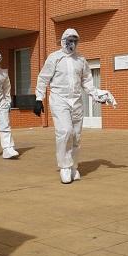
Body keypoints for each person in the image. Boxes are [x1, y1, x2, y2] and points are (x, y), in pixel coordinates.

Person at [35, 28, 117, 184]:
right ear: (63, 41)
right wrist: (39, 98)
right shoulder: (54, 58)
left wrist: (97, 94)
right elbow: (43, 78)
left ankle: (73, 166)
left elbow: (87, 81)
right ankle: (64, 167)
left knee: (76, 136)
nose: (72, 44)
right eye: (70, 40)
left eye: (75, 41)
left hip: (76, 101)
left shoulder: (81, 60)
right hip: (60, 99)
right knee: (65, 131)